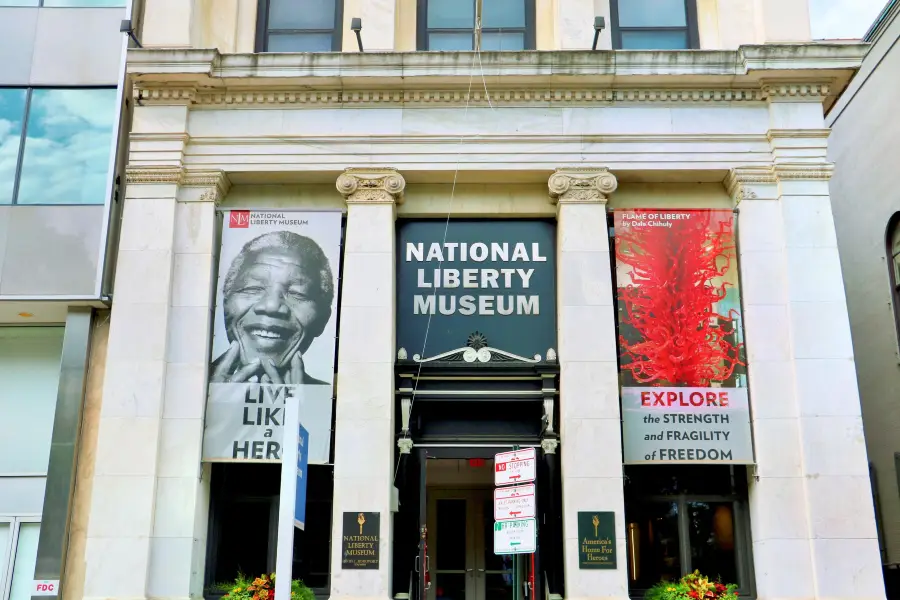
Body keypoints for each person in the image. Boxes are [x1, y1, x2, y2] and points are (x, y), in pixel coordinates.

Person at [210, 230, 335, 385]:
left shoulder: (325, 400)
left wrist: (299, 406)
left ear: (322, 320)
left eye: (297, 293)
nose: (272, 306)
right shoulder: (184, 382)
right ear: (225, 303)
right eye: (253, 288)